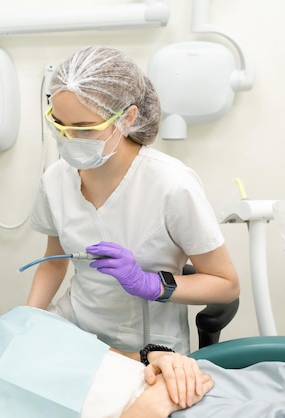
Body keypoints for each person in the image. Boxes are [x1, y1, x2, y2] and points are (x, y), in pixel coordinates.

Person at [0, 244, 285, 418]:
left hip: (196, 389)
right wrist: (143, 411)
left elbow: (123, 362)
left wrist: (163, 359)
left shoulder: (23, 319)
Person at [27, 46, 239, 355]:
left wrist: (152, 284)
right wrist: (30, 316)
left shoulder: (171, 184)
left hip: (146, 349)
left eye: (84, 129)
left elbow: (226, 285)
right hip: (72, 331)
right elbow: (54, 261)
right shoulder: (56, 179)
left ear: (127, 117)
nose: (69, 138)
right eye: (59, 124)